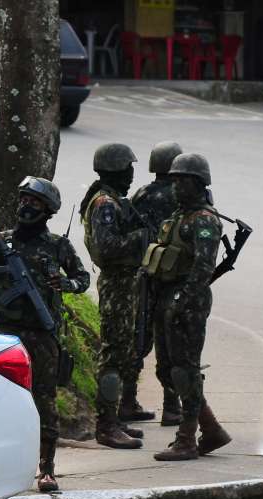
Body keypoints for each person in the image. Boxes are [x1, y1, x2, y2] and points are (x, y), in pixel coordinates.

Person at [0, 177, 90, 493]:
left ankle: (46, 470)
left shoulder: (58, 245)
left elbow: (82, 278)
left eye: (34, 202)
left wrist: (66, 284)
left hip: (42, 335)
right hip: (4, 335)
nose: (25, 206)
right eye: (23, 200)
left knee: (44, 399)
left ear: (47, 211)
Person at [145, 153, 232, 461]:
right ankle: (211, 430)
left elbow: (203, 267)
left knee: (185, 370)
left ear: (198, 183)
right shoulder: (178, 215)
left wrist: (183, 300)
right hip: (167, 296)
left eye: (182, 181)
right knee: (168, 370)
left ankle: (187, 439)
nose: (176, 186)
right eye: (174, 180)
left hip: (188, 302)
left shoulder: (205, 221)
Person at [79, 143, 149, 449]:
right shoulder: (105, 204)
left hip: (125, 282)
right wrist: (141, 237)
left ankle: (114, 418)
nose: (133, 174)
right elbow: (107, 248)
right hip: (116, 283)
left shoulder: (113, 200)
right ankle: (106, 425)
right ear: (116, 169)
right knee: (112, 354)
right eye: (128, 168)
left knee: (122, 353)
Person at [131, 141, 184, 427]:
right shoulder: (183, 196)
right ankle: (172, 406)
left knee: (139, 338)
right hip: (173, 279)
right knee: (172, 343)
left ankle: (128, 397)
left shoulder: (142, 194)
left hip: (145, 274)